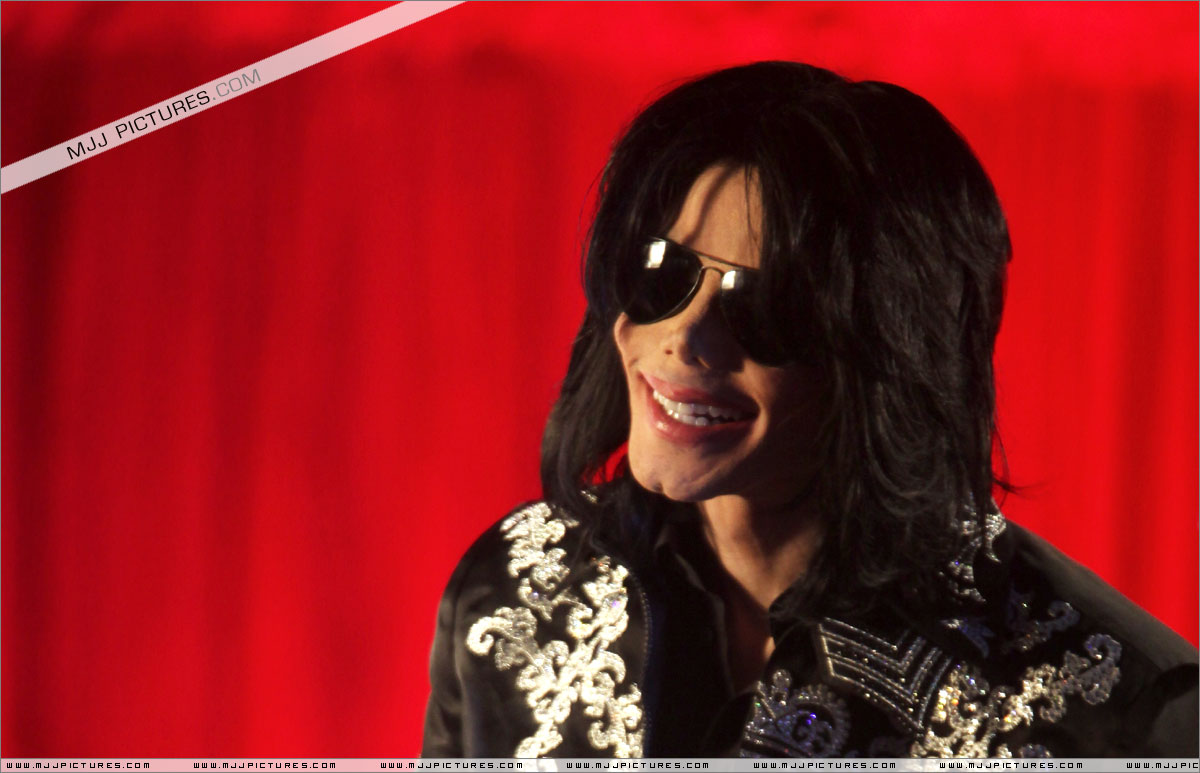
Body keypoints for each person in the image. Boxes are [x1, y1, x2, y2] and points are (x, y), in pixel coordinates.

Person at [420, 61, 1198, 759]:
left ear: (888, 356)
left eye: (763, 306)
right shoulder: (514, 588)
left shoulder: (1123, 709)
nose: (684, 339)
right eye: (664, 272)